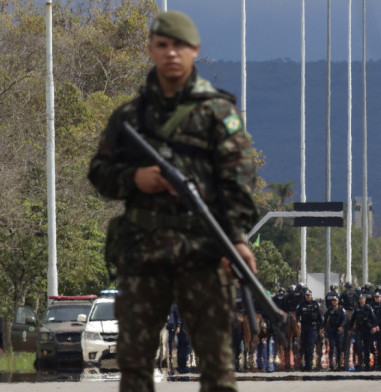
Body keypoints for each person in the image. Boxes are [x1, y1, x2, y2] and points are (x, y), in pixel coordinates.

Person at [87, 10, 257, 392]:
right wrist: (135, 178)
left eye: (179, 45)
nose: (171, 53)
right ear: (150, 50)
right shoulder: (130, 117)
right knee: (134, 369)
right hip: (143, 256)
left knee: (217, 369)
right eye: (162, 46)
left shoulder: (218, 113)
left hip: (203, 254)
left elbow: (238, 185)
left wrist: (238, 240)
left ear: (195, 50)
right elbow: (99, 172)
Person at [296, 290, 323, 371]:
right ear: (305, 296)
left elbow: (320, 317)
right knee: (303, 346)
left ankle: (309, 365)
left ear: (311, 296)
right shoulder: (301, 304)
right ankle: (303, 364)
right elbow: (297, 315)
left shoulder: (315, 304)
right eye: (306, 295)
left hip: (312, 328)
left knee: (310, 347)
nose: (308, 296)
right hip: (304, 327)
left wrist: (321, 328)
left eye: (309, 295)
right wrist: (298, 322)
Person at [349, 294, 376, 371]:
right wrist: (350, 329)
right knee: (359, 347)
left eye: (362, 298)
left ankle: (367, 364)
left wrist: (374, 326)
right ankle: (360, 363)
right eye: (360, 299)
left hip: (367, 330)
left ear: (365, 299)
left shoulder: (368, 308)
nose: (361, 300)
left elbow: (373, 318)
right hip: (359, 329)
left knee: (366, 348)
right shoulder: (356, 308)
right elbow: (353, 319)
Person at [322, 296, 346, 371]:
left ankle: (339, 363)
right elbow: (325, 319)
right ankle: (331, 364)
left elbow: (345, 319)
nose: (334, 302)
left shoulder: (342, 309)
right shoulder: (329, 309)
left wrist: (342, 326)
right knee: (331, 347)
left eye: (335, 300)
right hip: (331, 329)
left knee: (339, 348)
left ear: (338, 301)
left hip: (339, 330)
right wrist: (322, 327)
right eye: (333, 300)